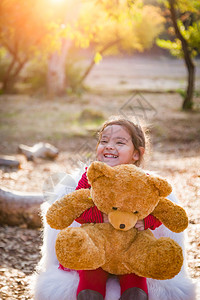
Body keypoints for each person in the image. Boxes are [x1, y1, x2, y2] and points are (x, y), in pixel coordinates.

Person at [59, 117, 162, 300]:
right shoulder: (91, 176)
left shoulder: (144, 181)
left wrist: (145, 221)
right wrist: (102, 217)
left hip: (131, 247)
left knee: (136, 279)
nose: (109, 146)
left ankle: (135, 293)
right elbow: (76, 210)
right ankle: (90, 293)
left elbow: (160, 211)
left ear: (136, 154)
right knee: (90, 277)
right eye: (104, 141)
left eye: (119, 142)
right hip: (98, 246)